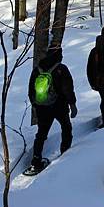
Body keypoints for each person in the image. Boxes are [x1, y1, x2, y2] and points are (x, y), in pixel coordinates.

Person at [28, 44, 77, 172]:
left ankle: (36, 160)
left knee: (41, 134)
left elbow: (31, 90)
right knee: (66, 127)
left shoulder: (37, 69)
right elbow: (68, 89)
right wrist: (72, 104)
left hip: (41, 107)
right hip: (59, 106)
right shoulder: (61, 69)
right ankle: (65, 152)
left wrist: (36, 104)